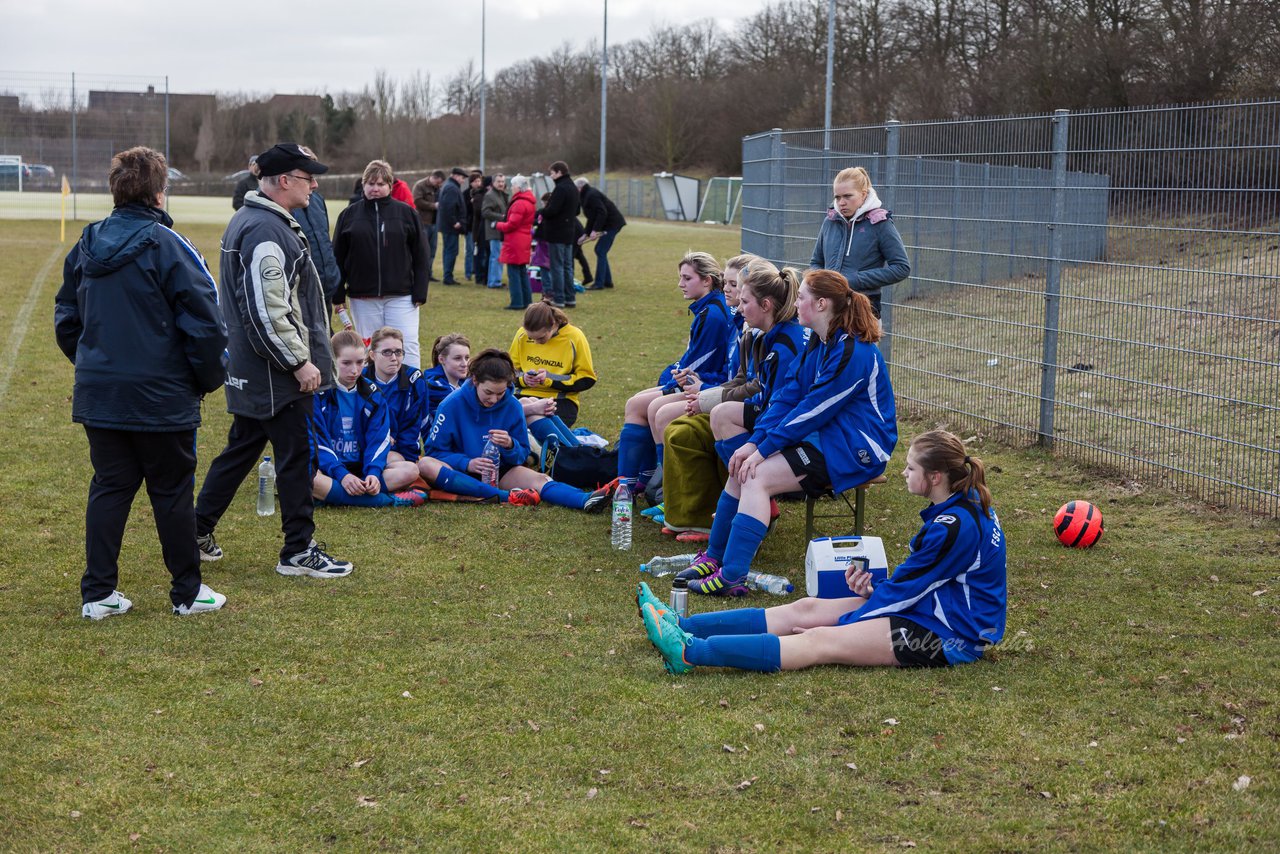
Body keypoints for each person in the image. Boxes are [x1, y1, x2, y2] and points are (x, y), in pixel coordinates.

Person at [637, 430, 1006, 674]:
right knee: (806, 608)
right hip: (929, 610)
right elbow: (920, 584)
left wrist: (844, 624)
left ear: (936, 477)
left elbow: (910, 588)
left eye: (911, 468)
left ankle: (689, 653)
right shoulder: (963, 505)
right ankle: (681, 625)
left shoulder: (955, 527)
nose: (904, 473)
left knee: (816, 639)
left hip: (952, 636)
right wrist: (872, 592)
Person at [55, 145, 229, 619]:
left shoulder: (92, 242)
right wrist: (201, 380)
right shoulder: (165, 245)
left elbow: (66, 317)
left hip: (106, 391)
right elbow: (208, 326)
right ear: (159, 191)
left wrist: (94, 366)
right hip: (157, 395)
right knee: (169, 491)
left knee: (110, 487)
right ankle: (187, 593)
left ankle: (98, 594)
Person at [674, 269, 898, 597]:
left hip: (857, 448)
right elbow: (785, 399)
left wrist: (763, 451)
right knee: (741, 467)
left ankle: (734, 575)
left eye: (802, 298)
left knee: (756, 476)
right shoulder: (819, 343)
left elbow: (813, 411)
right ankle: (715, 557)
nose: (796, 305)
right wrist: (754, 444)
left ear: (822, 304)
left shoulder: (853, 352)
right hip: (826, 436)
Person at [194, 142, 352, 579]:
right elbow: (266, 311)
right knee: (296, 457)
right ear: (283, 181)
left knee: (241, 449)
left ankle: (196, 527)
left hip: (252, 368)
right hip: (274, 372)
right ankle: (298, 550)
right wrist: (300, 362)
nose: (315, 185)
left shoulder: (258, 220)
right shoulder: (266, 229)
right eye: (308, 177)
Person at [658, 257, 807, 537]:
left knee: (717, 418)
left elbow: (774, 402)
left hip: (795, 430)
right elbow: (746, 381)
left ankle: (745, 504)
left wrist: (754, 447)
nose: (737, 303)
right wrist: (709, 395)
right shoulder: (759, 332)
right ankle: (687, 505)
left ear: (766, 304)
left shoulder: (783, 341)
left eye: (741, 295)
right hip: (771, 414)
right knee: (700, 420)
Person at [418, 349, 618, 510]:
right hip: (460, 472)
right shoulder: (451, 405)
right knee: (426, 464)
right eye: (488, 392)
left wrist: (510, 445)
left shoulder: (512, 405)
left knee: (540, 479)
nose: (494, 399)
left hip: (500, 471)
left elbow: (521, 454)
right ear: (475, 381)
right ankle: (507, 497)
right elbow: (435, 452)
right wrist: (468, 463)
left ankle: (584, 500)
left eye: (500, 393)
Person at [616, 251, 735, 491]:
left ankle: (643, 486)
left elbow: (694, 368)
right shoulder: (707, 308)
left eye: (687, 278)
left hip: (708, 386)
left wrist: (669, 380)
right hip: (704, 381)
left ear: (707, 280)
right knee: (637, 402)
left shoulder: (713, 315)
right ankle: (640, 479)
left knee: (641, 406)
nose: (680, 284)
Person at [332, 159, 429, 367]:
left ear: (390, 185)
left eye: (381, 184)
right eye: (370, 183)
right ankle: (372, 391)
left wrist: (420, 290)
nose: (375, 188)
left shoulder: (406, 213)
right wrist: (338, 294)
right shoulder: (348, 215)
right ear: (363, 185)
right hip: (363, 296)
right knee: (369, 347)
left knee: (406, 344)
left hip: (402, 296)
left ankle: (411, 390)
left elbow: (421, 254)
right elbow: (337, 257)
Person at [311, 330, 423, 508]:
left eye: (359, 362)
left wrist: (373, 473)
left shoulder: (372, 393)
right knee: (303, 476)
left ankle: (334, 494)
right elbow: (317, 443)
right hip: (328, 468)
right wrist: (342, 475)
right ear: (332, 361)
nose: (354, 370)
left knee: (410, 470)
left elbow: (379, 439)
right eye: (346, 363)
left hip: (360, 467)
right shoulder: (318, 393)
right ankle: (387, 501)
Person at [810, 166, 910, 317]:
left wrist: (854, 280)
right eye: (837, 197)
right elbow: (816, 262)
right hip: (827, 307)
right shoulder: (830, 221)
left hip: (864, 308)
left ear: (863, 195)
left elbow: (901, 268)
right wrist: (822, 281)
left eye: (847, 196)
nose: (841, 202)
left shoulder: (880, 223)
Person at [510, 302, 595, 448]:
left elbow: (586, 379)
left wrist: (550, 380)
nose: (536, 342)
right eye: (532, 338)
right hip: (524, 395)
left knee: (540, 434)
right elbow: (509, 371)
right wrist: (523, 379)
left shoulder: (574, 337)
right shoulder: (521, 334)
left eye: (541, 338)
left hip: (560, 400)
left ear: (553, 325)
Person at [363, 326, 431, 471]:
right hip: (364, 447)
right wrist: (383, 438)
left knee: (404, 467)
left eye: (398, 352)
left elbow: (414, 426)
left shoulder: (414, 380)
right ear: (372, 355)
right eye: (386, 352)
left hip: (399, 454)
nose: (394, 358)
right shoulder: (360, 380)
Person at [290, 146, 340, 303]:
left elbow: (324, 240)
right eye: (309, 177)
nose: (314, 183)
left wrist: (333, 276)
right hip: (301, 293)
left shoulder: (317, 200)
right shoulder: (281, 205)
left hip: (325, 287)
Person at [538, 160, 581, 308]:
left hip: (556, 233)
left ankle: (559, 299)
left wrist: (541, 211)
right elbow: (577, 211)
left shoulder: (560, 189)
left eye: (552, 173)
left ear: (559, 172)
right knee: (568, 267)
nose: (550, 176)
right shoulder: (573, 188)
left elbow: (552, 210)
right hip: (569, 232)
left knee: (556, 266)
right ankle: (570, 298)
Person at [575, 177, 626, 290]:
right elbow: (591, 217)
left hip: (613, 224)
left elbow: (602, 212)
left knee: (600, 250)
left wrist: (594, 231)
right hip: (609, 224)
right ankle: (607, 282)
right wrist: (585, 234)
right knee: (600, 251)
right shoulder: (586, 195)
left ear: (580, 187)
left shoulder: (591, 195)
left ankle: (599, 283)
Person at [496, 174, 535, 310]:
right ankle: (526, 301)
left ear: (518, 187)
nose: (511, 188)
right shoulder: (529, 201)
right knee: (522, 272)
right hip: (523, 239)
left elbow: (512, 224)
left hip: (515, 241)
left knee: (513, 273)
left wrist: (498, 225)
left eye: (513, 185)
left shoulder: (519, 203)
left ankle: (517, 302)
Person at [422, 332, 470, 420]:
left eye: (467, 358)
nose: (465, 364)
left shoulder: (463, 382)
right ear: (442, 359)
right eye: (457, 358)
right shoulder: (434, 385)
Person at [437, 167, 468, 285]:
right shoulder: (451, 188)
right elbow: (448, 207)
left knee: (448, 251)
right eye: (462, 177)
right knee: (451, 251)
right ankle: (448, 277)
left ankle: (448, 275)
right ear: (455, 176)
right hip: (450, 227)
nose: (463, 180)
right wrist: (454, 222)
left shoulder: (449, 186)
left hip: (447, 226)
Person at [412, 170, 445, 281]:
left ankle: (428, 273)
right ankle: (419, 273)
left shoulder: (438, 189)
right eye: (438, 182)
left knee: (432, 250)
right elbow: (417, 201)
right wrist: (433, 206)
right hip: (423, 223)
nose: (439, 185)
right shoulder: (420, 185)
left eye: (441, 183)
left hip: (434, 223)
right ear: (433, 178)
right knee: (422, 250)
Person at [481, 173, 509, 289]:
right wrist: (502, 217)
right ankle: (494, 282)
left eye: (502, 181)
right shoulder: (490, 195)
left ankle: (495, 280)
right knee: (496, 257)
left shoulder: (502, 195)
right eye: (499, 181)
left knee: (498, 257)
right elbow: (485, 212)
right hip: (494, 231)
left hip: (501, 230)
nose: (501, 184)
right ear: (493, 182)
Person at [468, 171, 489, 283]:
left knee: (482, 253)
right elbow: (479, 211)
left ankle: (481, 275)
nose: (478, 183)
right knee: (480, 253)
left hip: (480, 226)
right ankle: (479, 276)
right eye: (476, 181)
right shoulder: (477, 195)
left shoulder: (480, 194)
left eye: (479, 180)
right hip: (478, 228)